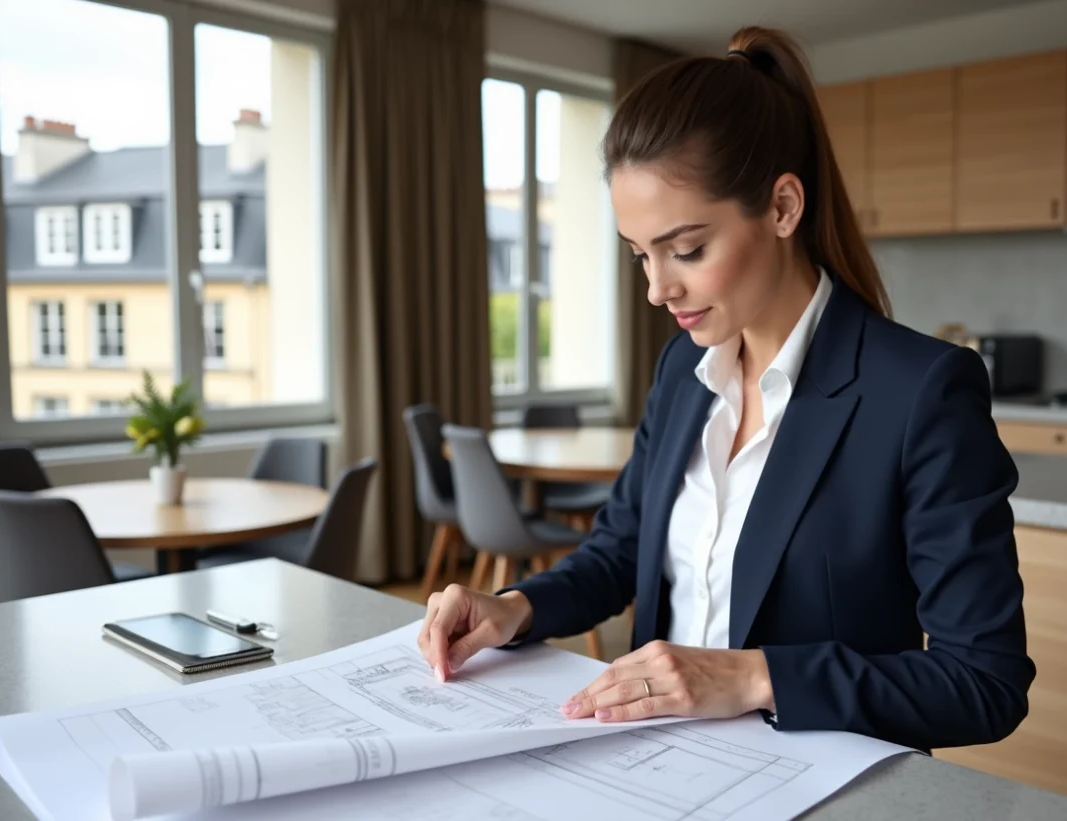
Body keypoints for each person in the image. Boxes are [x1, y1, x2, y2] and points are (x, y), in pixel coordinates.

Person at [418, 25, 1034, 752]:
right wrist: (516, 607)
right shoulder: (683, 371)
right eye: (640, 255)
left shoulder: (920, 392)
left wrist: (753, 677)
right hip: (657, 765)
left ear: (782, 207)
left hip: (820, 780)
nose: (658, 288)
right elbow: (620, 550)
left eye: (686, 249)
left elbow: (983, 683)